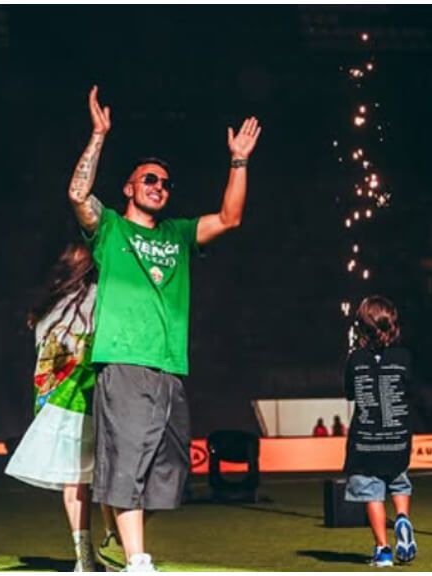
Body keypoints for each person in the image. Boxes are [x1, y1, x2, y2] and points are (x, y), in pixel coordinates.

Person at [65, 86, 261, 571]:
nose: (158, 186)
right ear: (129, 188)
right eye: (149, 179)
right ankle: (138, 559)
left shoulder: (177, 233)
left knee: (166, 474)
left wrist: (238, 162)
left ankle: (115, 537)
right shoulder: (110, 228)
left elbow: (231, 218)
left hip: (170, 367)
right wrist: (98, 135)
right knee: (129, 460)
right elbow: (77, 194)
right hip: (125, 362)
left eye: (166, 183)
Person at [6, 243, 120, 571]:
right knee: (101, 475)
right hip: (81, 397)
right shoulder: (96, 296)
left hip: (52, 399)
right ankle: (111, 544)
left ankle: (87, 557)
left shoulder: (47, 305)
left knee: (78, 480)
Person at [342, 296, 418, 566]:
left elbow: (350, 394)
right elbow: (409, 391)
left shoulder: (355, 359)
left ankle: (383, 549)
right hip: (398, 438)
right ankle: (402, 518)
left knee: (372, 493)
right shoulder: (403, 356)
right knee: (399, 482)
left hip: (366, 442)